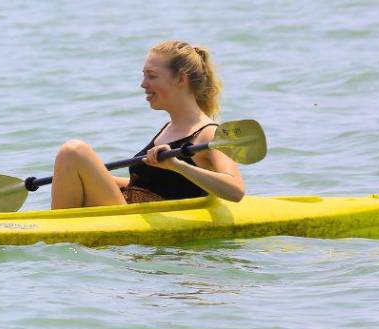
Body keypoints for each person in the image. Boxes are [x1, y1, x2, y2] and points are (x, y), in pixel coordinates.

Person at [50, 40, 246, 209]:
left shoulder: (209, 134)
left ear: (180, 79)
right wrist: (94, 176)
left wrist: (178, 166)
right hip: (134, 211)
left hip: (143, 222)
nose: (143, 84)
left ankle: (56, 238)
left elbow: (235, 191)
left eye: (151, 76)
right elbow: (160, 186)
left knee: (75, 151)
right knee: (74, 158)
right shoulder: (167, 129)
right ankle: (58, 236)